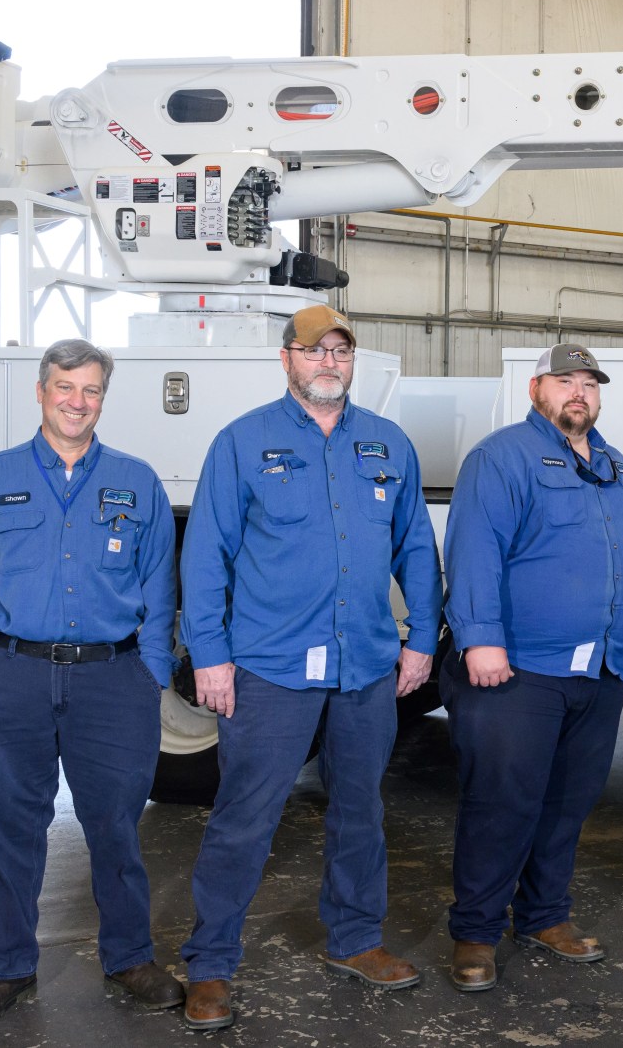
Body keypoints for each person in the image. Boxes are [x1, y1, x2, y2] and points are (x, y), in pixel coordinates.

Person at [175, 305, 441, 1030]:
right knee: (244, 816)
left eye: (340, 350)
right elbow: (206, 557)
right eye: (314, 349)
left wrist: (422, 638)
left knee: (361, 808)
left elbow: (417, 544)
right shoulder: (243, 442)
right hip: (268, 666)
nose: (328, 361)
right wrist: (212, 656)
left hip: (365, 665)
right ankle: (209, 963)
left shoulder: (388, 444)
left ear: (352, 361)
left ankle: (355, 939)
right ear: (287, 359)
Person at [0, 338, 182, 1027]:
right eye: (65, 388)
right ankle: (7, 967)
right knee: (13, 830)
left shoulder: (138, 483)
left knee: (114, 826)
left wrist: (151, 673)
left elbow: (160, 587)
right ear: (42, 392)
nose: (78, 402)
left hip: (111, 681)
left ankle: (131, 955)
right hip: (7, 678)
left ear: (103, 396)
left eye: (91, 390)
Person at [441, 343, 623, 992]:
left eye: (589, 382)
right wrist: (480, 638)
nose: (579, 391)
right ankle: (476, 932)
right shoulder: (501, 458)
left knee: (568, 801)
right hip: (518, 671)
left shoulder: (620, 470)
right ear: (537, 388)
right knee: (502, 801)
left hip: (599, 669)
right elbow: (474, 546)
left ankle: (542, 914)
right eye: (565, 380)